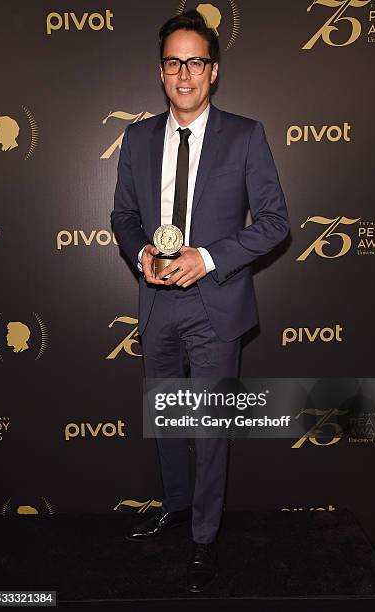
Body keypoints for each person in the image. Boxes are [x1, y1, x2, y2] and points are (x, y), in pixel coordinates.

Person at [111, 9, 290, 593]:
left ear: (212, 71)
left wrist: (207, 258)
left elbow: (275, 223)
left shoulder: (245, 134)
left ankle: (205, 537)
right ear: (160, 72)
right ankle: (178, 507)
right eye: (172, 62)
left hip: (217, 303)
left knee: (208, 427)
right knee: (167, 417)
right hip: (157, 302)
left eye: (195, 62)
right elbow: (123, 216)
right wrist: (140, 251)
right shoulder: (137, 139)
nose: (183, 73)